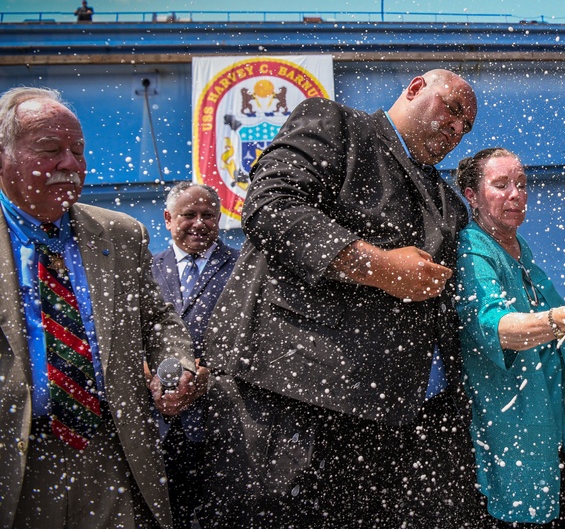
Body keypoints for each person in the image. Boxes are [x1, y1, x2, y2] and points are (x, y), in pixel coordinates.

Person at [202, 69, 485, 528]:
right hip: (290, 400)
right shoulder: (337, 125)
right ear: (415, 89)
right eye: (451, 109)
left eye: (466, 127)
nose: (456, 128)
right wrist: (379, 267)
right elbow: (272, 206)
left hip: (387, 425)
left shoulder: (448, 203)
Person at [0, 86, 208, 528]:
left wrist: (177, 363)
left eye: (78, 151)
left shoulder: (120, 234)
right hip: (14, 461)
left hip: (111, 455)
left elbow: (156, 321)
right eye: (50, 150)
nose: (71, 165)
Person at [454, 147, 565, 527]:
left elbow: (540, 323)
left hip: (551, 426)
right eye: (501, 185)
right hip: (513, 431)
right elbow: (496, 327)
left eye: (522, 184)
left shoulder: (520, 248)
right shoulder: (471, 250)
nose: (516, 194)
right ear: (472, 196)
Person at [151, 182, 237, 528]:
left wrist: (208, 380)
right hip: (160, 426)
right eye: (189, 215)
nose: (200, 223)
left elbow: (255, 345)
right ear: (169, 219)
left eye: (209, 216)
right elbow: (130, 337)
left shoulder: (242, 269)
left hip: (223, 427)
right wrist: (150, 376)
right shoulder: (145, 270)